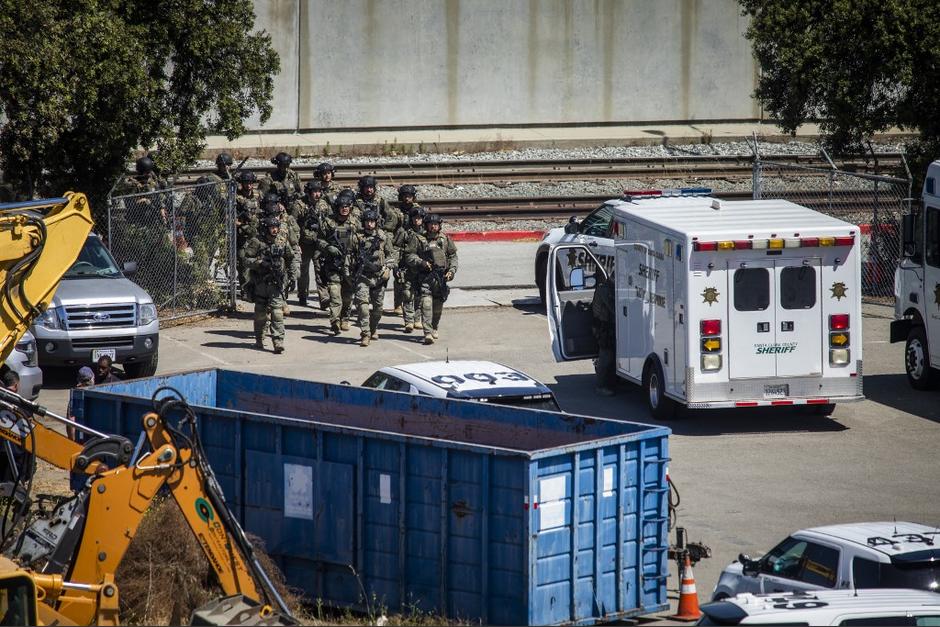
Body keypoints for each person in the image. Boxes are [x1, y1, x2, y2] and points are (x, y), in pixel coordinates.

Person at [242, 215, 294, 353]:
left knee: (277, 312)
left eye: (276, 227)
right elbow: (246, 260)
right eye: (272, 227)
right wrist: (260, 263)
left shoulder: (282, 241)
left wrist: (292, 276)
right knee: (260, 313)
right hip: (261, 283)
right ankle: (259, 338)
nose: (275, 230)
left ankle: (278, 341)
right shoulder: (256, 242)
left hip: (276, 283)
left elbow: (290, 258)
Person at [410, 213, 457, 344]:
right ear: (426, 225)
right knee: (426, 304)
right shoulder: (419, 239)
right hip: (425, 278)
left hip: (441, 278)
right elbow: (410, 255)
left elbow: (453, 257)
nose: (433, 227)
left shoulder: (445, 239)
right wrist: (421, 262)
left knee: (437, 307)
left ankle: (434, 327)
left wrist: (452, 271)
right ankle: (427, 333)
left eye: (435, 224)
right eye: (431, 224)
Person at [353, 210, 398, 346]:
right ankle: (365, 334)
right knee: (363, 307)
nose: (370, 224)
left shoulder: (383, 237)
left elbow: (393, 255)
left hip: (379, 277)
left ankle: (373, 329)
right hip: (363, 277)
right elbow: (349, 256)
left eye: (372, 221)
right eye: (367, 221)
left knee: (378, 309)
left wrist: (388, 268)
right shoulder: (357, 237)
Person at [318, 193, 360, 335]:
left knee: (348, 295)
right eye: (342, 207)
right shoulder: (328, 222)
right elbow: (319, 240)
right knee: (335, 294)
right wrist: (327, 247)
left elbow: (363, 239)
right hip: (333, 264)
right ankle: (334, 321)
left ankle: (345, 318)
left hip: (350, 264)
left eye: (347, 206)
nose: (344, 209)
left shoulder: (356, 222)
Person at [262, 192, 301, 312]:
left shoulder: (284, 226)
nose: (274, 217)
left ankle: (283, 301)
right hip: (266, 259)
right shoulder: (262, 226)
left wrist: (295, 261)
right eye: (271, 215)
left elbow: (294, 243)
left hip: (283, 258)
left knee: (285, 279)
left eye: (276, 214)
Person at [295, 180, 331, 308]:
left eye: (319, 191)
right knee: (303, 271)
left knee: (320, 269)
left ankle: (324, 297)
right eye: (314, 192)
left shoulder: (323, 205)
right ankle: (303, 295)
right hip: (304, 243)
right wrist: (296, 243)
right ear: (309, 192)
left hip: (319, 243)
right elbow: (293, 225)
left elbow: (330, 222)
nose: (317, 194)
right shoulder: (299, 205)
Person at [396, 206, 428, 333]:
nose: (417, 221)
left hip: (422, 268)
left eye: (419, 218)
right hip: (407, 268)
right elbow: (396, 248)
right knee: (407, 294)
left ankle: (417, 319)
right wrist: (396, 266)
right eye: (415, 218)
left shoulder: (426, 233)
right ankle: (408, 321)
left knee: (420, 295)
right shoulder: (404, 232)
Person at [393, 185, 421, 315]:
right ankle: (398, 304)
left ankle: (412, 308)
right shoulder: (396, 212)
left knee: (414, 278)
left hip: (414, 247)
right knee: (399, 277)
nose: (407, 198)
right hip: (399, 246)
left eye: (409, 196)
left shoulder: (418, 211)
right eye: (405, 196)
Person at [235, 170, 262, 295]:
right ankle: (245, 290)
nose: (248, 185)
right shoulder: (236, 197)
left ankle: (256, 288)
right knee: (243, 264)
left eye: (250, 182)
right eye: (246, 182)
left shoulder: (258, 195)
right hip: (242, 235)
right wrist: (237, 222)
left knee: (258, 262)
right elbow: (229, 214)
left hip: (256, 234)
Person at [591, 272, 617, 396]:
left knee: (611, 357)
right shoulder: (604, 290)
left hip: (607, 327)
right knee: (606, 357)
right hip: (604, 327)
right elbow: (613, 308)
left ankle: (611, 383)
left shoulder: (609, 288)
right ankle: (600, 386)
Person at [66, 367, 95, 440]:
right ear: (92, 378)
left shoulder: (75, 396)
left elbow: (71, 424)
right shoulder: (95, 393)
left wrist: (72, 441)